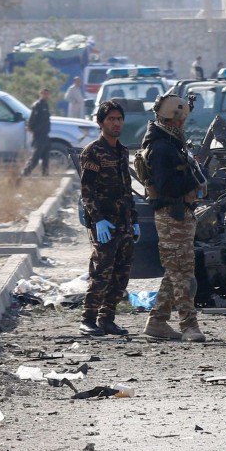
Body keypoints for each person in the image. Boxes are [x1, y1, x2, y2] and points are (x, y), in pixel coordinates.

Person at [140, 94, 207, 342]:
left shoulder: (170, 143)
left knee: (175, 271)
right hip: (171, 215)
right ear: (172, 118)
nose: (182, 125)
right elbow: (167, 186)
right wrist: (193, 178)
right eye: (180, 119)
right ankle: (189, 325)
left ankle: (157, 321)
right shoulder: (161, 148)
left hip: (179, 215)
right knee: (182, 274)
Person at [78, 101, 138, 336]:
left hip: (123, 223)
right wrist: (98, 219)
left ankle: (107, 319)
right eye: (111, 119)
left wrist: (134, 220)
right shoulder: (92, 151)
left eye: (119, 119)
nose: (116, 123)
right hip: (104, 224)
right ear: (101, 122)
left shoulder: (122, 151)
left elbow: (126, 188)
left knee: (120, 275)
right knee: (101, 273)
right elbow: (87, 191)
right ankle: (88, 319)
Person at [21, 88, 52, 177]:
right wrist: (32, 129)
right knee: (36, 157)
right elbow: (32, 120)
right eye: (44, 94)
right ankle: (25, 173)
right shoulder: (37, 105)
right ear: (40, 94)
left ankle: (45, 174)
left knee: (46, 157)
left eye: (47, 94)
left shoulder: (45, 105)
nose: (46, 96)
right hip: (39, 136)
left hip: (45, 135)